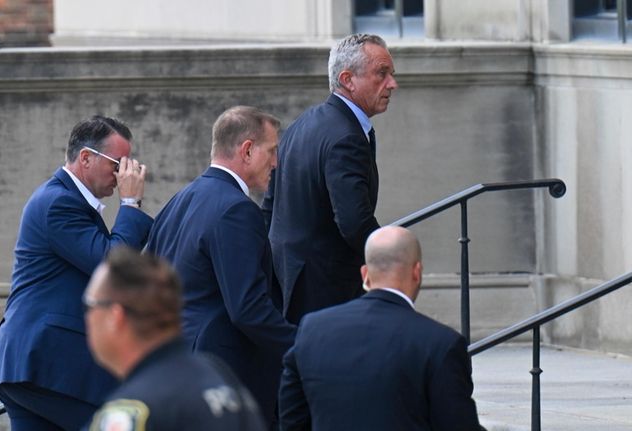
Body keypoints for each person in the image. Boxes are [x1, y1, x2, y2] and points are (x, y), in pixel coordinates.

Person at [0, 115, 153, 430]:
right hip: (46, 363)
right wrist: (131, 203)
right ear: (86, 158)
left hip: (30, 364)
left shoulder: (66, 200)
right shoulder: (59, 203)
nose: (123, 174)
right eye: (117, 163)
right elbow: (112, 267)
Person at [145, 106, 296, 428]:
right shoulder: (236, 210)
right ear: (247, 150)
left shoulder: (179, 201)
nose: (276, 162)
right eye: (272, 151)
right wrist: (306, 344)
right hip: (221, 374)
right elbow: (248, 309)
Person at [279, 226, 486, 431]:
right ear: (417, 271)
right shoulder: (441, 344)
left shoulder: (312, 330)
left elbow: (291, 420)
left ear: (365, 274)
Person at [262, 33, 398, 324]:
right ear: (348, 79)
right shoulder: (345, 137)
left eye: (392, 74)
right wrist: (390, 261)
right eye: (382, 74)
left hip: (291, 277)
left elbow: (269, 207)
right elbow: (354, 221)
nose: (392, 84)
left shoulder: (303, 123)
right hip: (327, 288)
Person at [83, 247, 266, 431]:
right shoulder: (220, 376)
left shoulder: (131, 411)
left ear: (116, 317)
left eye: (89, 306)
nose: (87, 317)